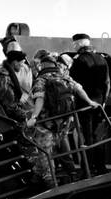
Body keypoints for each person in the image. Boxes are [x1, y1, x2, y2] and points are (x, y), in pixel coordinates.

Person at [0, 39, 53, 188]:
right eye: (20, 63)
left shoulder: (9, 70)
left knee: (38, 135)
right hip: (0, 119)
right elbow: (10, 107)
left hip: (7, 115)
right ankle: (44, 178)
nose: (22, 66)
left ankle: (38, 175)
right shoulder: (4, 77)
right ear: (14, 62)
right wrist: (29, 117)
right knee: (35, 137)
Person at [30, 50, 93, 182]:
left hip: (46, 124)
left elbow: (39, 99)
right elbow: (79, 89)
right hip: (64, 122)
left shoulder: (41, 80)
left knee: (45, 153)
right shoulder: (65, 77)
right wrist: (90, 102)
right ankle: (72, 172)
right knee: (63, 146)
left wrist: (34, 117)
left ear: (42, 66)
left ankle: (50, 181)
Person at [69, 34, 111, 170]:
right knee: (96, 135)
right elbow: (108, 83)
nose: (74, 46)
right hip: (99, 103)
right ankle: (100, 166)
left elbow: (73, 84)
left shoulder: (79, 61)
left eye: (74, 44)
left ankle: (87, 167)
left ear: (79, 44)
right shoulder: (102, 59)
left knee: (87, 136)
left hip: (84, 103)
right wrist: (104, 101)